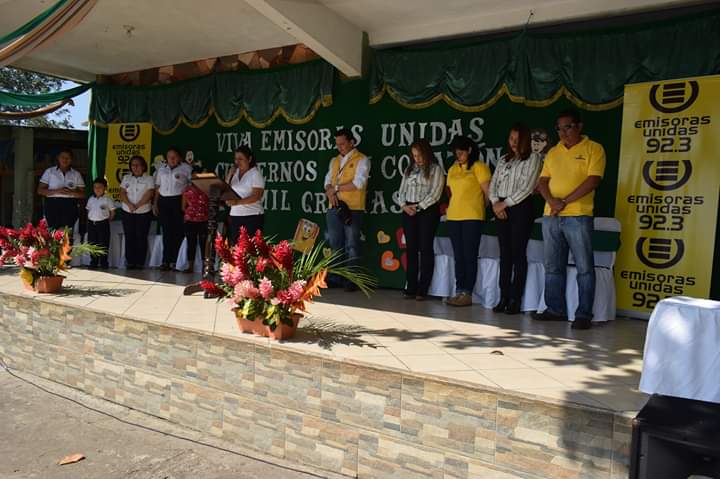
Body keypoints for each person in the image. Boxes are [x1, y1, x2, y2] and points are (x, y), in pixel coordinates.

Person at [533, 109, 606, 330]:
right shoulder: (553, 152)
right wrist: (552, 202)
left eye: (568, 127)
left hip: (578, 215)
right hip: (551, 216)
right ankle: (555, 309)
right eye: (559, 128)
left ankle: (583, 314)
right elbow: (542, 182)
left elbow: (593, 180)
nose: (563, 132)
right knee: (553, 266)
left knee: (584, 267)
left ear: (579, 126)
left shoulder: (594, 148)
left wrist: (564, 201)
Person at [489, 123, 544, 315]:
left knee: (517, 253)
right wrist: (496, 203)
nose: (513, 143)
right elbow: (494, 183)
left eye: (517, 139)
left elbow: (527, 187)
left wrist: (504, 204)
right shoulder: (504, 160)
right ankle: (503, 296)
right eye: (511, 139)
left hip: (520, 208)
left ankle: (515, 299)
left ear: (525, 140)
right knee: (504, 254)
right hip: (500, 208)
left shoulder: (533, 159)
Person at [445, 135, 491, 307]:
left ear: (469, 150)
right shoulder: (452, 169)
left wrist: (480, 207)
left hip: (472, 216)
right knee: (459, 256)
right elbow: (450, 193)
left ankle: (468, 293)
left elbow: (488, 194)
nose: (458, 156)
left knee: (469, 255)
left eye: (461, 152)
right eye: (456, 153)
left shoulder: (480, 167)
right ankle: (459, 291)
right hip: (454, 216)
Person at [324, 128, 370, 292]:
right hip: (334, 208)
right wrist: (329, 190)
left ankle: (352, 279)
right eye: (337, 144)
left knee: (352, 245)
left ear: (352, 142)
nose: (340, 147)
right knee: (335, 244)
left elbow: (358, 183)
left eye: (343, 144)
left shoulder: (362, 160)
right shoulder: (334, 161)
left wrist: (335, 188)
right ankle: (335, 277)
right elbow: (327, 180)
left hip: (353, 208)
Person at [397, 139, 444, 300]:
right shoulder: (409, 169)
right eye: (414, 155)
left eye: (419, 155)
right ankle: (411, 286)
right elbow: (401, 191)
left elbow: (435, 193)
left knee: (425, 248)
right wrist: (404, 205)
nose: (417, 158)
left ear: (427, 153)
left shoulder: (435, 169)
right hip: (408, 210)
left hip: (426, 211)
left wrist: (417, 207)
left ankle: (423, 288)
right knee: (411, 249)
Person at [153, 147, 192, 270]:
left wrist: (187, 204)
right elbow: (157, 188)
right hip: (164, 202)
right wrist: (155, 203)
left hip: (179, 201)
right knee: (167, 232)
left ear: (179, 157)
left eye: (174, 157)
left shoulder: (186, 169)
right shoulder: (161, 170)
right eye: (169, 157)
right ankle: (165, 260)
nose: (172, 159)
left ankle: (175, 261)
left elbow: (191, 187)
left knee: (178, 232)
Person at [119, 155, 155, 269]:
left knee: (141, 236)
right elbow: (122, 192)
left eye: (138, 165)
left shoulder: (149, 178)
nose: (135, 167)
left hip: (143, 212)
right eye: (133, 165)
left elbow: (150, 193)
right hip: (127, 211)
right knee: (129, 236)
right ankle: (130, 261)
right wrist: (130, 205)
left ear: (143, 166)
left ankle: (140, 262)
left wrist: (138, 205)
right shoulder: (126, 178)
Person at [37, 148, 85, 231]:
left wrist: (71, 193)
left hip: (70, 205)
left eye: (68, 158)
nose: (65, 160)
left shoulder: (76, 174)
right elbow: (40, 191)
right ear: (58, 158)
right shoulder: (50, 172)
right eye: (63, 157)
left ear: (71, 160)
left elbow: (83, 194)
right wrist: (57, 191)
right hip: (53, 204)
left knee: (67, 233)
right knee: (53, 233)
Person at [225, 146, 265, 243]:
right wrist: (229, 174)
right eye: (235, 159)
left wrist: (237, 202)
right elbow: (225, 189)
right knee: (236, 248)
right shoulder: (235, 172)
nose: (237, 162)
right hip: (235, 216)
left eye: (240, 159)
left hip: (252, 216)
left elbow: (256, 196)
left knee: (250, 248)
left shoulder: (255, 174)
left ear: (249, 159)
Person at [86, 177, 115, 269]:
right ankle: (93, 262)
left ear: (105, 188)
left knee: (103, 243)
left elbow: (112, 212)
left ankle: (104, 262)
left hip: (103, 223)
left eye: (100, 187)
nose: (97, 189)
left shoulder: (108, 199)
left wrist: (107, 220)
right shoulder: (91, 199)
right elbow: (88, 210)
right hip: (91, 224)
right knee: (92, 243)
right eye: (95, 187)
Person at [181, 182, 209, 273]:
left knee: (203, 243)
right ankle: (190, 266)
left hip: (203, 219)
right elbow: (183, 206)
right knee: (191, 243)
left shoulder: (206, 189)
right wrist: (191, 213)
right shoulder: (187, 190)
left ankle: (205, 267)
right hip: (190, 220)